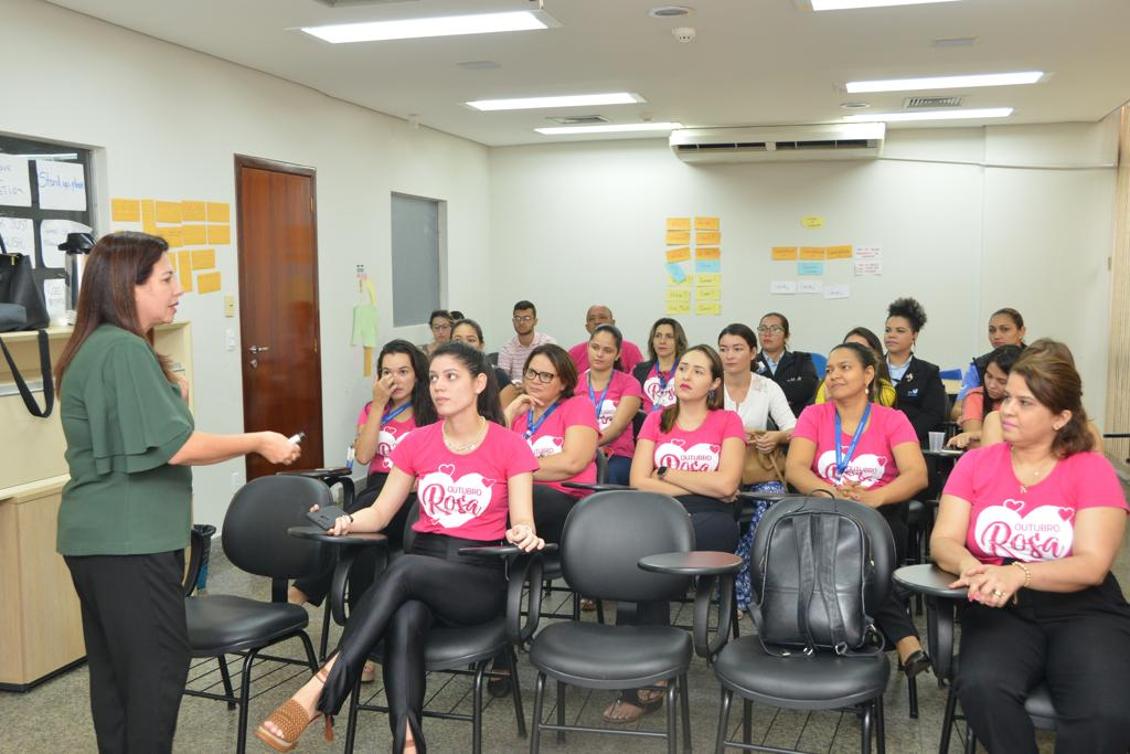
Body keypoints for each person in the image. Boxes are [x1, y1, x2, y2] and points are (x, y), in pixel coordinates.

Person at [55, 232, 302, 754]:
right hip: (130, 540)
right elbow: (178, 445)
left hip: (96, 539)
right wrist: (260, 440)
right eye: (166, 278)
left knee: (118, 678)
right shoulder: (123, 349)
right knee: (156, 673)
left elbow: (138, 431)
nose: (178, 289)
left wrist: (175, 394)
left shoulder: (100, 344)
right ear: (129, 286)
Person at [256, 341, 545, 754]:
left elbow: (522, 521)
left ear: (480, 383)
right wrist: (346, 521)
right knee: (406, 616)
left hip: (477, 578)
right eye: (433, 379)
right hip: (420, 572)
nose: (439, 387)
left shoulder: (509, 445)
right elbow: (378, 514)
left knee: (405, 569)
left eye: (451, 378)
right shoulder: (417, 443)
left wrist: (523, 534)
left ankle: (326, 683)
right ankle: (408, 743)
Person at [930, 345, 1130, 754]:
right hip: (1001, 607)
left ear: (1061, 417)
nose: (1007, 410)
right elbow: (943, 540)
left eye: (1025, 402)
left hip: (1083, 609)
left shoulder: (1090, 469)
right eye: (1006, 399)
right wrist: (971, 565)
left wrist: (1018, 572)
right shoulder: (976, 464)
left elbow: (1092, 566)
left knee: (1106, 712)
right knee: (983, 688)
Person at [605, 345, 744, 724]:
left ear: (715, 383)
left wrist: (666, 473)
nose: (686, 375)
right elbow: (637, 481)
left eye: (698, 371)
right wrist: (703, 484)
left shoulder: (728, 422)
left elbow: (729, 484)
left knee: (650, 562)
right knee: (643, 560)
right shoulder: (656, 419)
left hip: (712, 520)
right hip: (659, 516)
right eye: (683, 368)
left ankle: (645, 676)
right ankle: (645, 669)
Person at [288, 341, 437, 685]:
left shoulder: (430, 410)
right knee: (358, 541)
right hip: (376, 487)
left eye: (403, 372)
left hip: (413, 494)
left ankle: (310, 591)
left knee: (357, 534)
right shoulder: (374, 408)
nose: (395, 379)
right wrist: (379, 406)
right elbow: (366, 456)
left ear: (417, 374)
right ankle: (363, 649)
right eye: (387, 372)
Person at [786, 342, 931, 679]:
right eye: (830, 369)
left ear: (868, 374)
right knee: (850, 557)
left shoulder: (891, 419)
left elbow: (917, 475)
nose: (834, 375)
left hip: (879, 516)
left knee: (861, 554)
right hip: (824, 511)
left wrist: (874, 498)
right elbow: (796, 469)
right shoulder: (814, 415)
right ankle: (904, 638)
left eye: (845, 367)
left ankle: (847, 640)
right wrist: (834, 495)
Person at [717, 324, 796, 613]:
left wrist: (775, 436)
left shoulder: (767, 386)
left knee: (771, 501)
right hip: (717, 468)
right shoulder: (711, 384)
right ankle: (731, 582)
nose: (729, 356)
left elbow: (794, 428)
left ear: (752, 352)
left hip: (756, 468)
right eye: (723, 349)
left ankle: (739, 574)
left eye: (737, 349)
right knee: (716, 505)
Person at [504, 344, 600, 545]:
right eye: (531, 373)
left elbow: (571, 462)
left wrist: (515, 472)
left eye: (546, 376)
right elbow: (490, 457)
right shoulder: (520, 412)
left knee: (521, 497)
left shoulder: (578, 406)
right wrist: (509, 414)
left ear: (564, 382)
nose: (536, 381)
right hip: (520, 499)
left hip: (567, 502)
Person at [979, 339, 1106, 450]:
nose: (1008, 410)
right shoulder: (997, 421)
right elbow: (990, 470)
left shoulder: (1087, 432)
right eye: (1008, 397)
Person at [575, 324, 643, 486]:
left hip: (617, 455)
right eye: (595, 347)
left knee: (605, 475)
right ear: (588, 347)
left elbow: (617, 427)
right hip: (577, 452)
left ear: (618, 354)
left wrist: (587, 447)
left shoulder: (629, 383)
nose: (599, 354)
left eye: (607, 350)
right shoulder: (573, 384)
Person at [884, 297, 948, 443]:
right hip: (875, 441)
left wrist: (902, 436)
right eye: (888, 330)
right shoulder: (872, 369)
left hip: (912, 441)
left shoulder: (928, 372)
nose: (891, 335)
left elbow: (933, 414)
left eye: (900, 331)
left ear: (914, 335)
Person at [947, 344, 1022, 450]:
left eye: (1001, 381)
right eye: (989, 376)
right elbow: (974, 446)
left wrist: (979, 434)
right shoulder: (976, 397)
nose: (991, 385)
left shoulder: (1028, 402)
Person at [753, 312, 819, 418]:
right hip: (759, 424)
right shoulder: (750, 363)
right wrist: (790, 389)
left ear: (786, 336)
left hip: (795, 424)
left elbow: (808, 388)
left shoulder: (801, 360)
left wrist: (764, 391)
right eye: (763, 329)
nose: (767, 333)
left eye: (775, 329)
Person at [814, 326, 897, 408]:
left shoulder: (884, 392)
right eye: (847, 348)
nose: (851, 354)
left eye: (859, 349)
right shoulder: (829, 383)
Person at [956, 307, 1027, 402]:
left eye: (1005, 329)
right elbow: (957, 409)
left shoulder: (1038, 363)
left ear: (1021, 331)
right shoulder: (979, 365)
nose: (996, 336)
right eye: (992, 330)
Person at [450, 318, 519, 407]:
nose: (464, 345)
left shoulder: (498, 376)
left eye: (471, 340)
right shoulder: (443, 377)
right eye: (457, 340)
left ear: (481, 345)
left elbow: (505, 418)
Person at [632, 317, 687, 416]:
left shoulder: (687, 371)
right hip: (644, 427)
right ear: (652, 341)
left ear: (678, 342)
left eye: (669, 336)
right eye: (658, 336)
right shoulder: (638, 370)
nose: (662, 341)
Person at [566, 304, 644, 375]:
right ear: (587, 327)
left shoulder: (631, 349)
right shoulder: (574, 352)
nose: (597, 321)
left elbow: (640, 377)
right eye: (592, 319)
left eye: (602, 317)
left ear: (613, 322)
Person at [497, 300, 555, 382]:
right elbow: (502, 380)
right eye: (517, 318)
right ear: (513, 321)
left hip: (542, 387)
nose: (521, 322)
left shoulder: (547, 343)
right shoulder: (507, 348)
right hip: (517, 391)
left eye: (527, 318)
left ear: (535, 321)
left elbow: (552, 374)